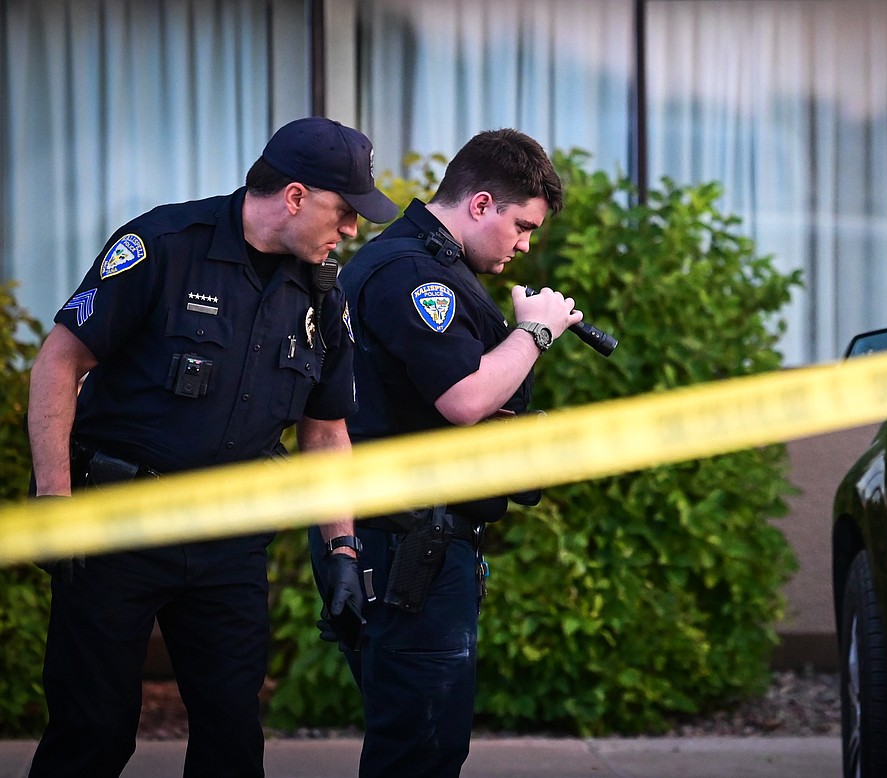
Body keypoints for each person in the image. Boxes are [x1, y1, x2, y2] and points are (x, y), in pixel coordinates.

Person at [25, 116, 397, 778]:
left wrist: (343, 547)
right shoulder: (164, 245)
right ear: (295, 196)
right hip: (118, 525)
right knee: (93, 732)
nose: (349, 231)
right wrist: (54, 500)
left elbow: (326, 429)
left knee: (231, 737)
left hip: (228, 539)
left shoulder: (320, 293)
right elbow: (60, 361)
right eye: (343, 213)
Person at [312, 128, 580, 777]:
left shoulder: (430, 265)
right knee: (420, 754)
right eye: (522, 226)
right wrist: (536, 332)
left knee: (423, 746)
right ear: (481, 204)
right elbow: (464, 398)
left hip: (412, 546)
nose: (524, 244)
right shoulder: (412, 273)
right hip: (407, 551)